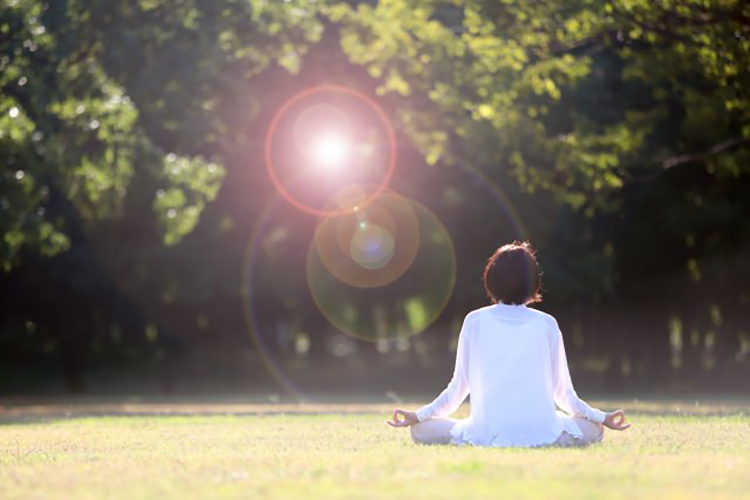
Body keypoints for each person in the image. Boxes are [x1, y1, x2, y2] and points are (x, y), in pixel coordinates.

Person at [387, 242, 631, 447]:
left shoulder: (475, 321)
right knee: (595, 430)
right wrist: (603, 417)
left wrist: (417, 416)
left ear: (491, 279)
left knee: (419, 430)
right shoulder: (547, 324)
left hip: (486, 433)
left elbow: (458, 389)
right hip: (543, 432)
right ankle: (545, 436)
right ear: (533, 282)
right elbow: (564, 395)